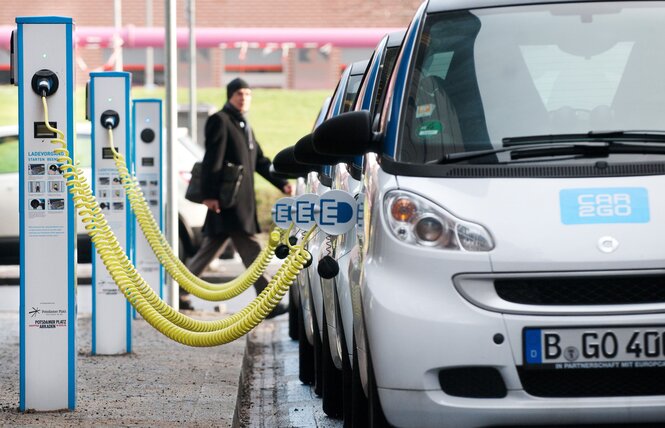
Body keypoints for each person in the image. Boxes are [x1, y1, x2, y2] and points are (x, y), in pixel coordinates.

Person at [183, 77, 292, 317]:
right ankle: (268, 303)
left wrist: (281, 182)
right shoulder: (220, 121)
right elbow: (213, 160)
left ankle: (179, 291)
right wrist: (210, 196)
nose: (244, 98)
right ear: (230, 96)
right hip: (227, 202)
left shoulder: (244, 124)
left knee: (208, 251)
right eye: (239, 94)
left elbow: (260, 162)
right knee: (253, 250)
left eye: (247, 94)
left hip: (238, 202)